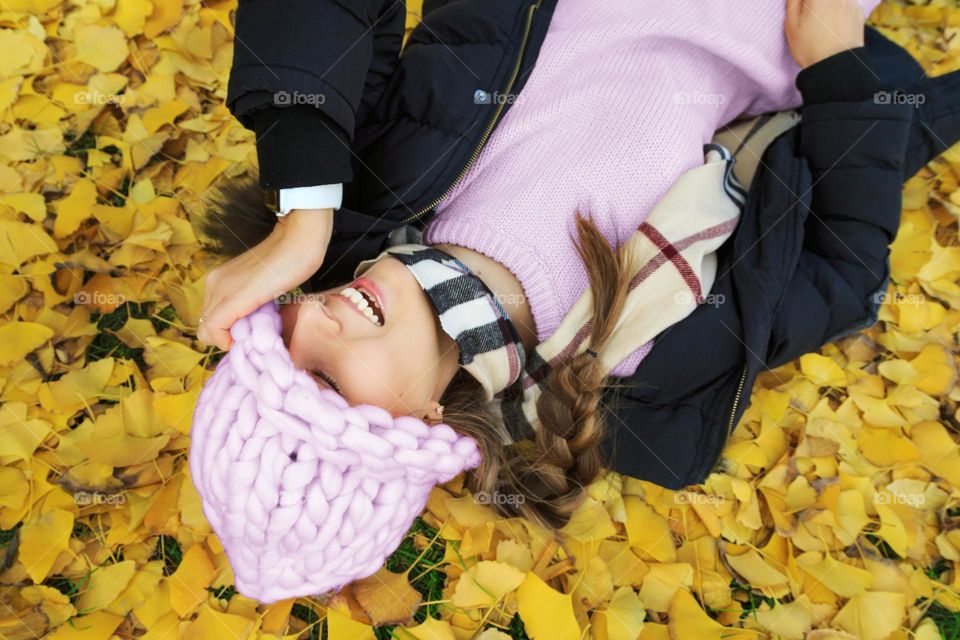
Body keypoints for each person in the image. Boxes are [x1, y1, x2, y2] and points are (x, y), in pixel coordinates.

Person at [198, 0, 960, 529]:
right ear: (421, 431)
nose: (314, 318)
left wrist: (303, 208)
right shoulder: (640, 370)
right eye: (326, 382)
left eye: (276, 332)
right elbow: (841, 269)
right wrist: (839, 67)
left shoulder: (362, 182)